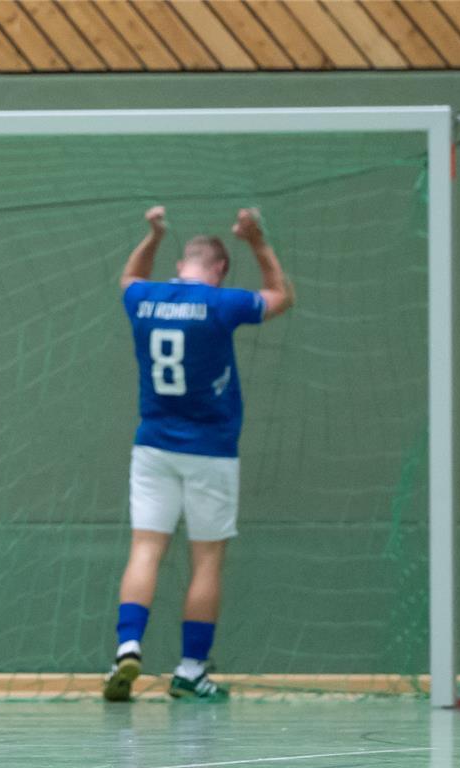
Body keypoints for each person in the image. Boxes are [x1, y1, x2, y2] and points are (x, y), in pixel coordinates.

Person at [105, 206, 294, 702]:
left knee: (145, 549)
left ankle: (127, 648)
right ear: (220, 270)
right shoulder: (221, 304)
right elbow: (282, 297)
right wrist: (257, 240)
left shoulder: (144, 298)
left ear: (181, 264)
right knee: (206, 560)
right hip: (211, 450)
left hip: (153, 447)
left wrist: (153, 234)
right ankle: (190, 669)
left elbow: (129, 276)